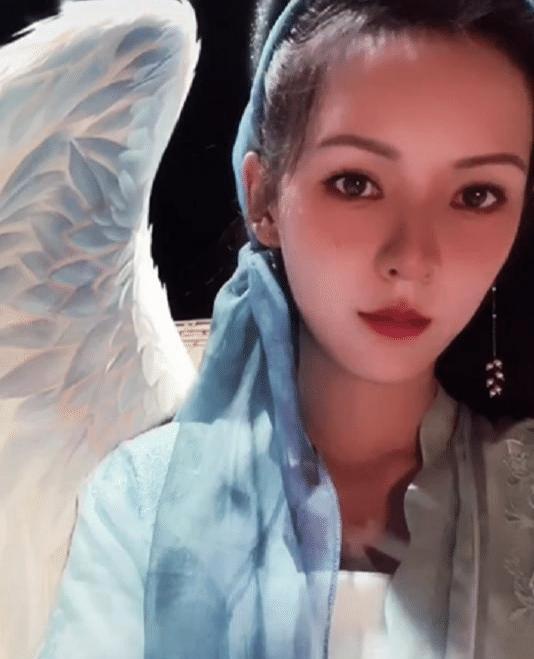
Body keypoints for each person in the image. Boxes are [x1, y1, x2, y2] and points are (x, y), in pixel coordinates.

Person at [36, 0, 534, 657]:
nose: (413, 259)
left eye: (476, 195)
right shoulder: (142, 503)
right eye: (355, 183)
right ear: (264, 198)